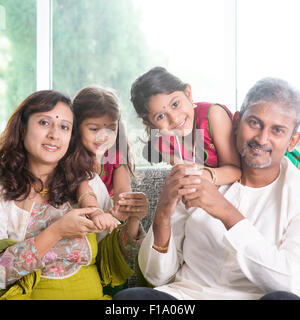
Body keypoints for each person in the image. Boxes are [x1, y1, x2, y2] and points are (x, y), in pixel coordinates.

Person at [113, 77, 300, 300]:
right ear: (237, 122)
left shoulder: (295, 191)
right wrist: (162, 213)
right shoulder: (197, 175)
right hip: (188, 297)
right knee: (130, 300)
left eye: (277, 130)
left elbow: (291, 282)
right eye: (254, 123)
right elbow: (157, 277)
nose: (261, 138)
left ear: (293, 141)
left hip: (256, 298)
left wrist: (227, 214)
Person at [0, 90, 146, 300]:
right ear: (22, 128)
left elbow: (111, 263)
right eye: (43, 122)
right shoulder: (4, 191)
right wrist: (56, 232)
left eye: (64, 127)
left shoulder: (89, 184)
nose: (54, 134)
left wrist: (132, 219)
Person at [130, 66, 241, 185]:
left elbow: (236, 171)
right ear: (150, 124)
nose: (174, 119)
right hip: (205, 194)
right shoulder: (163, 141)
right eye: (160, 116)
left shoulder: (214, 116)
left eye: (175, 104)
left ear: (188, 93)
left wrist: (205, 175)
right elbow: (185, 175)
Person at [72, 85, 149, 236]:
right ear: (76, 127)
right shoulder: (73, 157)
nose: (103, 136)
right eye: (94, 129)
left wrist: (122, 208)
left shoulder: (115, 158)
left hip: (107, 219)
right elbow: (84, 188)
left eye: (111, 129)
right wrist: (96, 213)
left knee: (127, 223)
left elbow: (123, 192)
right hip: (79, 216)